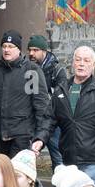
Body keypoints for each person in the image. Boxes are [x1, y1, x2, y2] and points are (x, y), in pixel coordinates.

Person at [0, 31, 50, 157]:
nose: (6, 50)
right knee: (4, 172)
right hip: (0, 133)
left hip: (23, 135)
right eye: (4, 46)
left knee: (19, 173)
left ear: (19, 49)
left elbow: (41, 106)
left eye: (11, 46)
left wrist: (40, 137)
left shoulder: (31, 71)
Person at [51, 45, 95, 184]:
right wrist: (39, 139)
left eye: (86, 60)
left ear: (93, 65)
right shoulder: (61, 89)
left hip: (92, 157)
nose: (81, 64)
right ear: (73, 63)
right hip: (68, 158)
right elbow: (48, 119)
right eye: (78, 60)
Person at [27, 35, 69, 168]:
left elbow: (61, 96)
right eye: (30, 50)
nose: (31, 53)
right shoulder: (27, 69)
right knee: (26, 156)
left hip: (50, 120)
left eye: (35, 50)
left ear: (44, 51)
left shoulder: (57, 70)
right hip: (30, 118)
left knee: (57, 155)